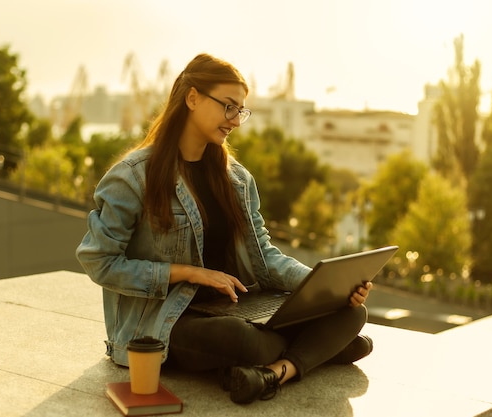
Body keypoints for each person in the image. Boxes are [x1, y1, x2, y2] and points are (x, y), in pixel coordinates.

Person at [76, 53, 374, 405]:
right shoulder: (133, 176)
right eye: (228, 107)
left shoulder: (236, 179)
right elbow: (100, 262)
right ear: (192, 98)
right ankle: (308, 352)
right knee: (244, 339)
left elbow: (265, 257)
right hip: (166, 321)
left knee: (351, 312)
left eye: (241, 111)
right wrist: (191, 273)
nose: (235, 120)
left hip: (234, 306)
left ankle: (273, 371)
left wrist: (324, 287)